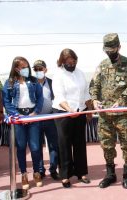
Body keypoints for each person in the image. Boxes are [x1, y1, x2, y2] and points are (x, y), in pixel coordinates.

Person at [89, 33, 127, 189]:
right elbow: (94, 84)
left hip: (123, 114)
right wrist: (95, 99)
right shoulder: (102, 65)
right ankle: (110, 174)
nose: (110, 53)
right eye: (107, 50)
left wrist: (122, 100)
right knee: (107, 145)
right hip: (105, 115)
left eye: (112, 49)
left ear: (119, 47)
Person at [2, 56, 44, 189]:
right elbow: (6, 101)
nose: (26, 69)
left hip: (32, 115)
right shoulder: (9, 83)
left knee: (35, 147)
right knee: (21, 147)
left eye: (27, 66)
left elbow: (40, 98)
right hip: (18, 117)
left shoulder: (33, 81)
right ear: (16, 68)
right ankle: (24, 174)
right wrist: (16, 115)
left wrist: (35, 112)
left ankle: (36, 172)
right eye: (22, 67)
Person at [52, 48, 92, 188]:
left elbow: (86, 93)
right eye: (68, 62)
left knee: (80, 143)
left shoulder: (80, 73)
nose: (71, 64)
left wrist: (89, 110)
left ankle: (81, 173)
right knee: (64, 145)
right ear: (62, 62)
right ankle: (65, 175)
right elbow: (59, 96)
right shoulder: (58, 75)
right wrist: (69, 110)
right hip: (63, 113)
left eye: (73, 61)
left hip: (80, 112)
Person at [32, 59, 60, 180]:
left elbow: (58, 99)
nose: (38, 71)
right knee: (37, 146)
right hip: (36, 120)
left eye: (40, 69)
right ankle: (40, 170)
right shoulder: (30, 84)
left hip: (50, 118)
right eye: (36, 69)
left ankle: (53, 169)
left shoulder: (52, 83)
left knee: (54, 145)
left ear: (45, 69)